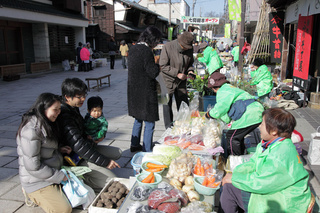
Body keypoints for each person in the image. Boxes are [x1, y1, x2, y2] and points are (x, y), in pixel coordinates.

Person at [220, 108, 311, 213]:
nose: (259, 127)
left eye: (262, 124)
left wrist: (235, 179)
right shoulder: (270, 143)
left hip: (284, 200)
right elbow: (253, 163)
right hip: (272, 187)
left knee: (229, 189)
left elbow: (262, 182)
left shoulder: (280, 154)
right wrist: (234, 173)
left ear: (274, 131)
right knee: (230, 182)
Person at [57, 78, 121, 190]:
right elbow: (79, 146)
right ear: (67, 97)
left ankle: (95, 169)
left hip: (86, 147)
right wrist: (105, 162)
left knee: (118, 153)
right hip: (75, 157)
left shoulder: (73, 108)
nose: (83, 99)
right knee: (112, 182)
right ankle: (81, 177)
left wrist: (94, 137)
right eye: (79, 96)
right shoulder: (64, 115)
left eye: (84, 95)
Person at [17, 93, 72, 213]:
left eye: (59, 109)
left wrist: (59, 149)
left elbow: (44, 148)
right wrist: (59, 176)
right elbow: (33, 167)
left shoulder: (47, 121)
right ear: (43, 108)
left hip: (51, 172)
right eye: (55, 110)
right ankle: (30, 194)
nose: (58, 112)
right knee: (64, 209)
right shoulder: (31, 131)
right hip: (36, 180)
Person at [205, 72, 264, 156]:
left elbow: (221, 107)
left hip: (249, 115)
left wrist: (209, 114)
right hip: (256, 111)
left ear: (214, 88)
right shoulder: (229, 88)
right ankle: (242, 154)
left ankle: (235, 160)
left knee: (232, 137)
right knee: (238, 135)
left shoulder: (223, 91)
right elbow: (227, 113)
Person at [127, 26, 163, 152]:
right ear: (152, 39)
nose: (157, 43)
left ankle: (134, 144)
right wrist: (158, 66)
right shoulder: (146, 51)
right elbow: (152, 72)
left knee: (138, 119)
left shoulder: (133, 48)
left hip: (134, 91)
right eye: (157, 40)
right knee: (150, 122)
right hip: (146, 91)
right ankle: (147, 150)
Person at [159, 31, 195, 129]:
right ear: (180, 43)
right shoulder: (168, 47)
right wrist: (177, 73)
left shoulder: (189, 49)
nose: (186, 49)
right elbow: (162, 66)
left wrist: (190, 71)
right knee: (167, 105)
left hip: (181, 82)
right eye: (184, 47)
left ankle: (184, 126)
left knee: (183, 104)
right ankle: (168, 128)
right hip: (167, 80)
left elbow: (190, 64)